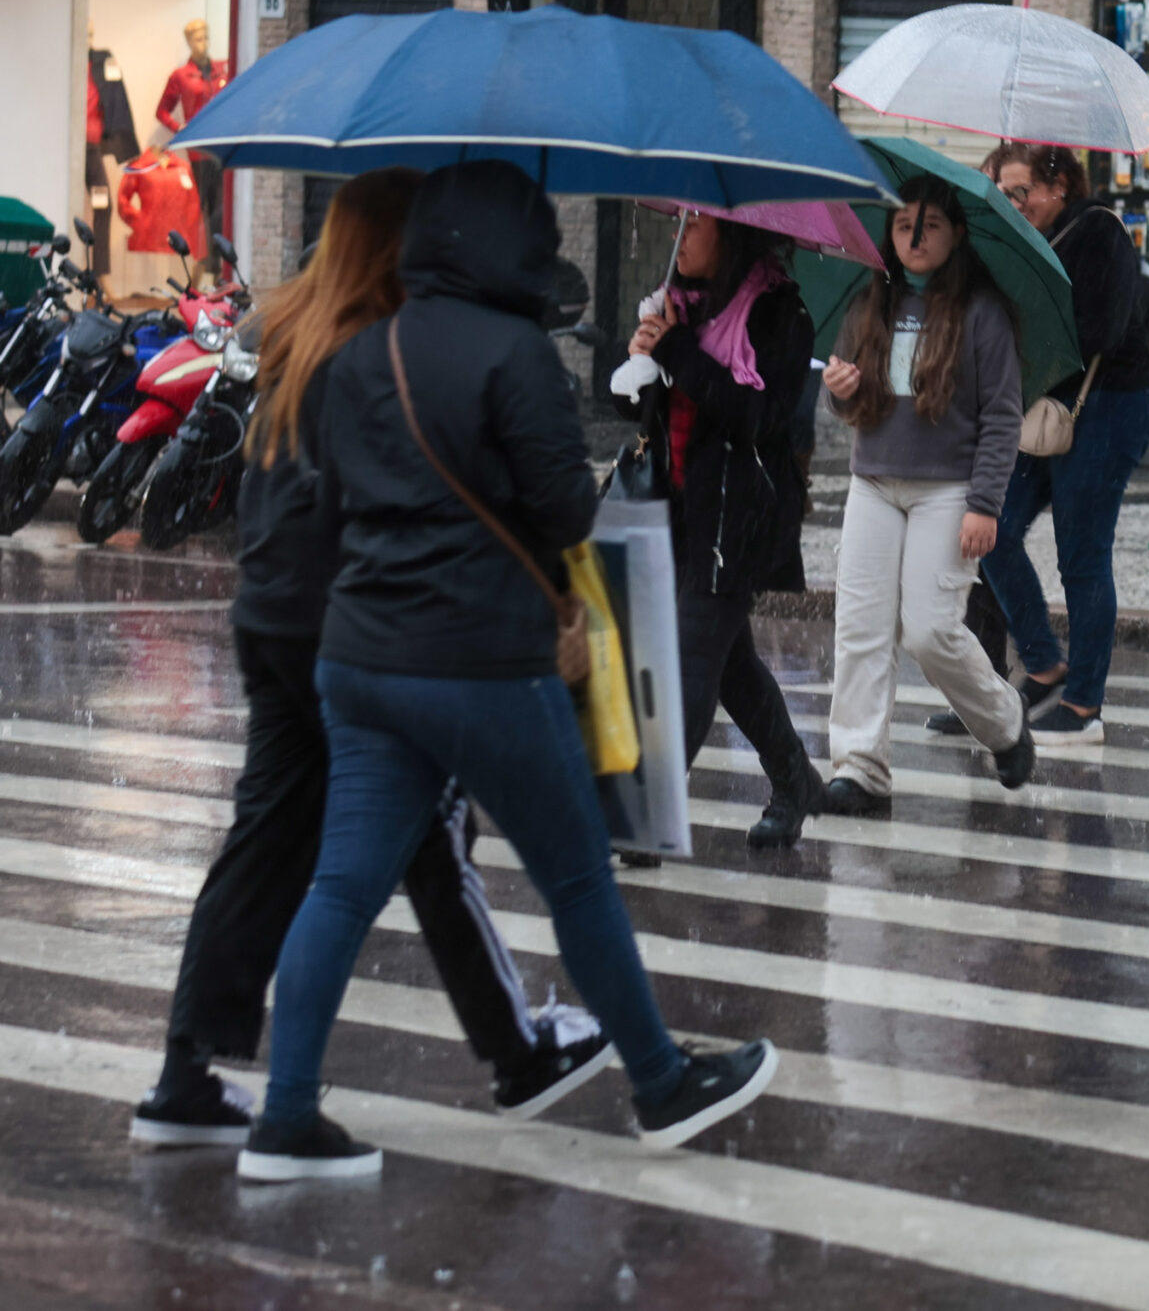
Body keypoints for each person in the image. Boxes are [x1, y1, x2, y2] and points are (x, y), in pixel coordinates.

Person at [246, 160, 776, 1181]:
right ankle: (661, 1080)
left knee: (342, 889)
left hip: (360, 658)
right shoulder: (515, 351)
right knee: (576, 877)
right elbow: (569, 516)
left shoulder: (360, 350)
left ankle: (285, 1116)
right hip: (481, 661)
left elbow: (335, 493)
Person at [131, 170, 605, 1151]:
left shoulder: (291, 331)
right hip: (353, 626)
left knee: (266, 840)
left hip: (270, 615)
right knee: (431, 840)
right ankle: (517, 1051)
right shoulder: (379, 347)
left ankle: (187, 1069)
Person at [820, 176, 1036, 817]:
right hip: (873, 482)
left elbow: (1003, 415)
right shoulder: (869, 303)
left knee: (931, 631)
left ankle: (1004, 722)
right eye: (902, 224)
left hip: (948, 491)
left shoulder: (982, 313)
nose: (914, 237)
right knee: (861, 628)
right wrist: (840, 389)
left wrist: (985, 504)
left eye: (930, 225)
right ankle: (859, 768)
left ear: (956, 235)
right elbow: (846, 399)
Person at [942, 142, 1149, 747]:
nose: (1013, 204)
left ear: (1059, 185)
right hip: (1046, 408)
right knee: (992, 526)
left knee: (1082, 554)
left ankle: (1084, 706)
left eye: (1022, 192)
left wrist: (1022, 326)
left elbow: (1102, 328)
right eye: (1002, 194)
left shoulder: (1097, 232)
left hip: (1110, 403)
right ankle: (1042, 664)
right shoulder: (1015, 239)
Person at [619, 212, 822, 849]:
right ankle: (794, 778)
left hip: (738, 517)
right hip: (680, 512)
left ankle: (645, 814)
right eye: (679, 220)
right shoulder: (677, 307)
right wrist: (640, 365)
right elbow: (640, 414)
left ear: (732, 233)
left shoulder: (780, 314)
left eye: (696, 223)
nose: (680, 234)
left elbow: (758, 416)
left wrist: (678, 352)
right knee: (729, 664)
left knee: (689, 662)